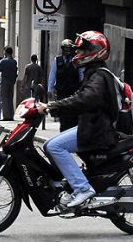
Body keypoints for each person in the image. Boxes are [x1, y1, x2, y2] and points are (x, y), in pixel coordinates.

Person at [38, 31, 119, 207]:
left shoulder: (99, 76)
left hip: (96, 130)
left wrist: (53, 106)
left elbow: (85, 99)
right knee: (49, 145)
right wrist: (53, 105)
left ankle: (82, 188)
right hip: (91, 126)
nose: (76, 54)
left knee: (54, 146)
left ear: (95, 51)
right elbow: (79, 96)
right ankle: (68, 185)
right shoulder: (94, 73)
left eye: (81, 51)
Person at [47, 39, 84, 131]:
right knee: (62, 115)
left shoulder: (76, 60)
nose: (67, 51)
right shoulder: (57, 60)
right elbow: (52, 75)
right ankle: (63, 130)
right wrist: (49, 90)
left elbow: (81, 75)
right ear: (62, 49)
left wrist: (83, 88)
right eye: (65, 48)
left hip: (73, 91)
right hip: (61, 92)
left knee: (73, 116)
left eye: (69, 48)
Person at [0, 46, 17, 121]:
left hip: (4, 81)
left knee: (4, 99)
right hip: (11, 82)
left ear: (5, 52)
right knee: (10, 99)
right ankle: (11, 115)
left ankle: (6, 116)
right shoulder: (14, 61)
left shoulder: (3, 61)